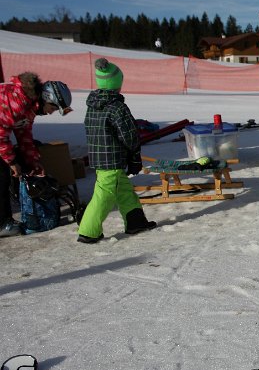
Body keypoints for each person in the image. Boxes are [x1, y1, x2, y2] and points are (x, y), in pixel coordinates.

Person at [77, 58, 156, 243]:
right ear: (116, 84)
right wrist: (135, 156)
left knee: (124, 190)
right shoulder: (117, 107)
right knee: (103, 194)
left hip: (100, 158)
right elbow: (129, 136)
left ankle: (135, 221)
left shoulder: (92, 106)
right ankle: (88, 231)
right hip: (112, 159)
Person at [1, 73, 72, 237]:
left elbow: (24, 138)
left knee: (17, 161)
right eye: (53, 108)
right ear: (46, 99)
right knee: (2, 173)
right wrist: (11, 162)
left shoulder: (29, 107)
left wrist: (36, 166)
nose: (52, 112)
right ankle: (2, 223)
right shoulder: (18, 102)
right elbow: (0, 135)